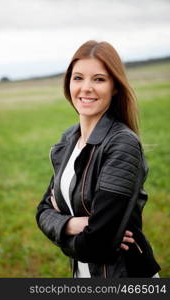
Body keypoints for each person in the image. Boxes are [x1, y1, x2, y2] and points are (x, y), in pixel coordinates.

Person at [36, 40, 161, 278]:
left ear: (115, 86)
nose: (86, 88)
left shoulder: (122, 144)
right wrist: (75, 224)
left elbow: (98, 244)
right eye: (78, 77)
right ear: (68, 83)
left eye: (99, 79)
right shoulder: (69, 140)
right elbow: (42, 211)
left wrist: (61, 228)